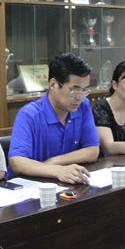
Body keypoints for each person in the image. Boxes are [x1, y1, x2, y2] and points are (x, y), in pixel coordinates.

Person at [8, 52, 99, 184]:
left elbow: (93, 151)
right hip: (31, 187)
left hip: (64, 184)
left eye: (84, 90)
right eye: (74, 90)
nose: (79, 97)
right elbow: (16, 162)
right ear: (53, 85)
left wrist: (55, 161)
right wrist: (57, 170)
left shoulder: (83, 106)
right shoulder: (29, 115)